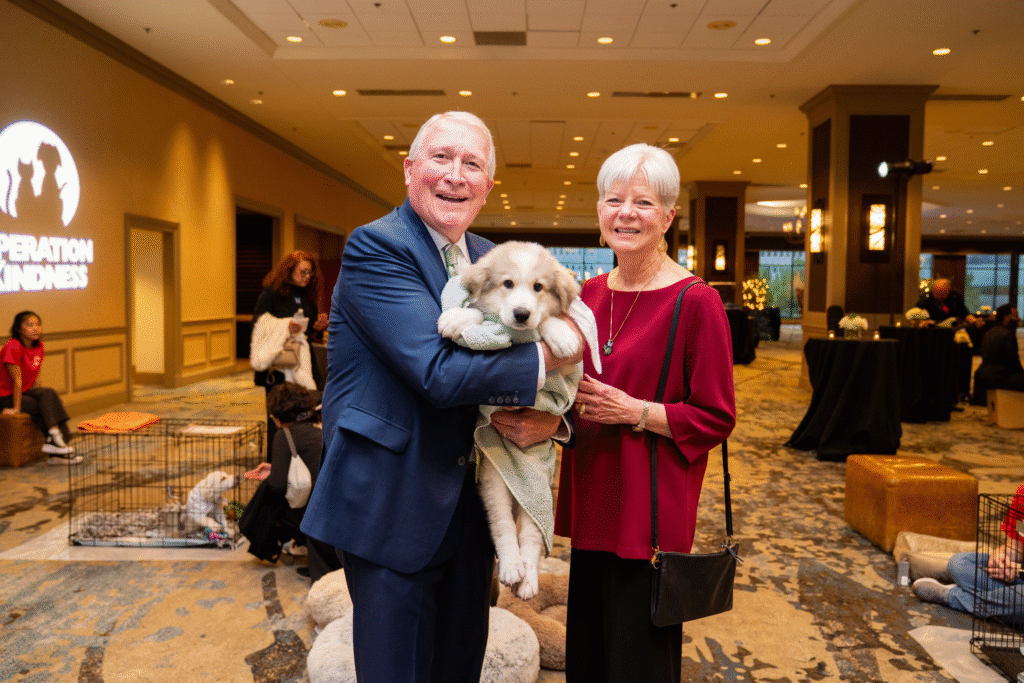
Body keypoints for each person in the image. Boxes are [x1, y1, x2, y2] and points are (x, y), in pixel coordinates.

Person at [300, 111, 583, 683]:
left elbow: (543, 346)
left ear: (487, 189)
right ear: (410, 171)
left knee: (457, 668)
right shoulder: (378, 247)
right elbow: (437, 371)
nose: (456, 175)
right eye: (441, 158)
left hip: (471, 512)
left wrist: (553, 421)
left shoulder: (488, 256)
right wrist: (556, 349)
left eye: (472, 164)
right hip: (391, 499)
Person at [554, 143, 737, 683]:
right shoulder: (585, 295)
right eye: (614, 200)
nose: (626, 213)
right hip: (591, 494)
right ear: (599, 212)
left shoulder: (695, 301)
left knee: (639, 662)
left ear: (668, 217)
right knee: (587, 656)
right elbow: (570, 394)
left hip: (649, 507)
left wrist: (637, 411)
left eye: (644, 203)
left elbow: (715, 416)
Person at [251, 251, 328, 457]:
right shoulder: (272, 293)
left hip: (303, 362)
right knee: (279, 413)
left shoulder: (306, 295)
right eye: (303, 272)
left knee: (305, 409)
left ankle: (300, 456)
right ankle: (277, 460)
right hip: (279, 364)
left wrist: (318, 326)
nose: (307, 277)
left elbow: (308, 328)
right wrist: (285, 326)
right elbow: (258, 324)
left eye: (310, 273)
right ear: (289, 270)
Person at [912, 483, 1023, 620]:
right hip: (1018, 576)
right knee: (959, 563)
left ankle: (954, 596)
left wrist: (1020, 572)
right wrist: (1002, 556)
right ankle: (999, 601)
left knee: (1020, 599)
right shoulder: (1023, 493)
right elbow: (1016, 547)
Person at [244, 382, 321, 567]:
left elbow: (277, 487)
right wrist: (275, 467)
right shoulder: (318, 429)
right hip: (333, 506)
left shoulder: (284, 435)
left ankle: (263, 541)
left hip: (313, 515)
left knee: (267, 499)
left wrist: (274, 474)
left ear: (277, 416)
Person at [1, 311, 82, 465]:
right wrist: (16, 409)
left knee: (48, 396)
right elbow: (16, 380)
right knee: (42, 405)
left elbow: (36, 377)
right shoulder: (13, 346)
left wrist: (45, 399)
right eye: (29, 325)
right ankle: (57, 443)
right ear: (19, 329)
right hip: (5, 396)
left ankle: (55, 441)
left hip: (24, 392)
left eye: (37, 324)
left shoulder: (39, 347)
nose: (35, 328)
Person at [971, 303, 1024, 405]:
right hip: (997, 377)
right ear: (1006, 318)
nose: (1018, 318)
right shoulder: (1008, 334)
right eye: (1015, 315)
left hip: (982, 375)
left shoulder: (990, 332)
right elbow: (1013, 362)